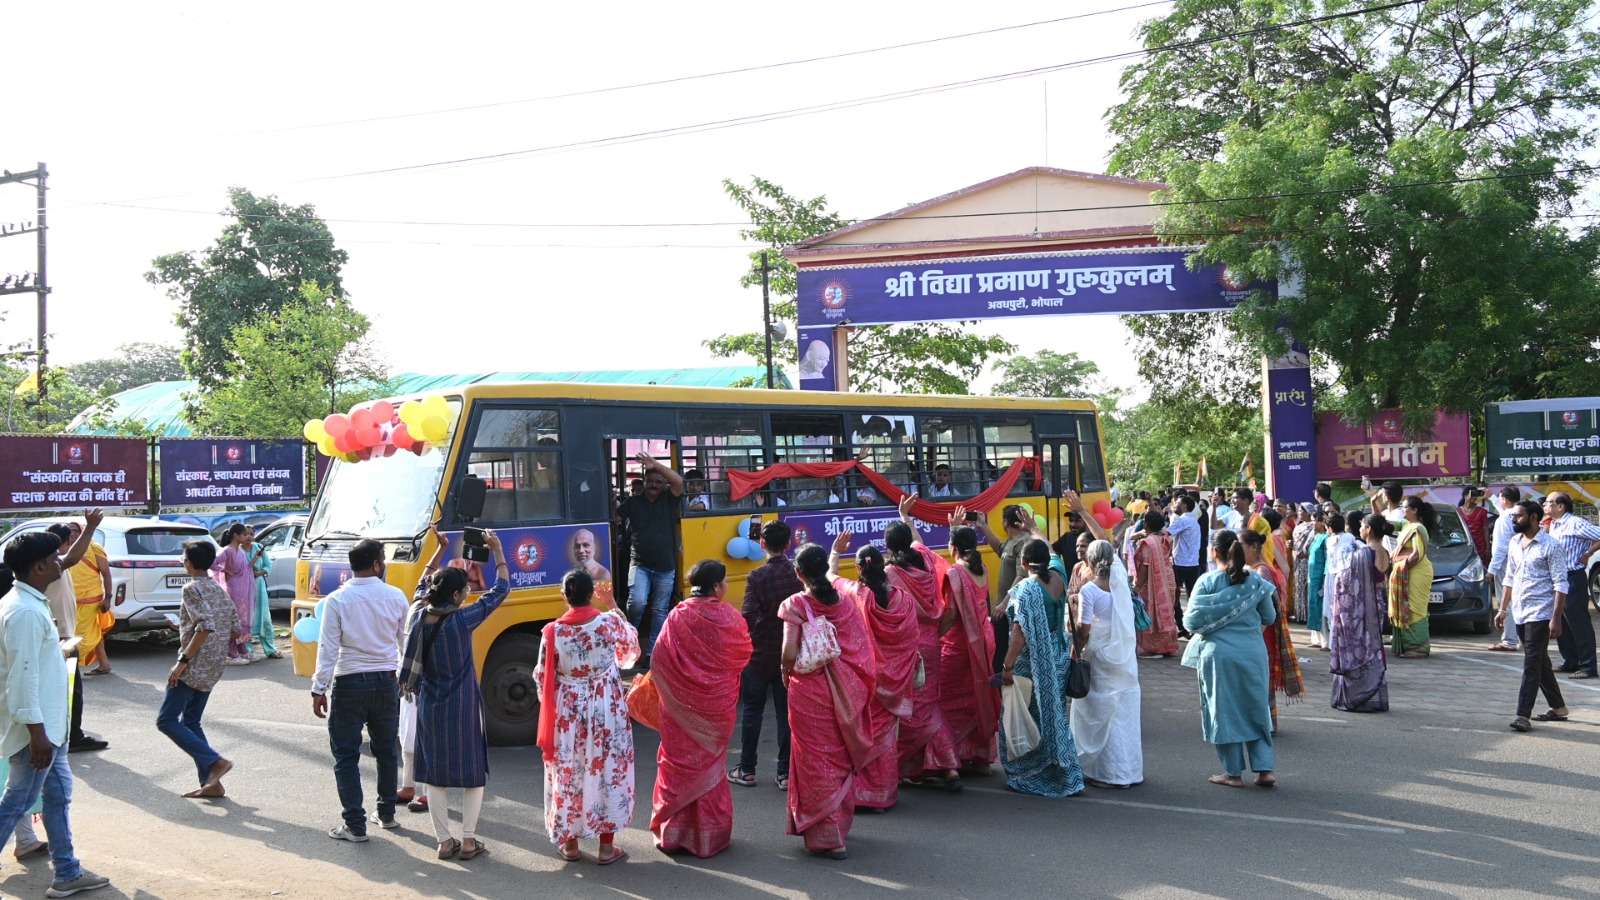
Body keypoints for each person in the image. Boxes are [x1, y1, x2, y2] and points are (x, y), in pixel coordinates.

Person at [0, 531, 113, 897]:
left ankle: (66, 872)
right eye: (53, 560)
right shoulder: (24, 612)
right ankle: (66, 871)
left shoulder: (28, 603)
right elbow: (23, 678)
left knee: (58, 797)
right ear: (38, 567)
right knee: (17, 802)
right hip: (38, 731)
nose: (60, 564)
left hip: (50, 729)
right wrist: (37, 734)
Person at [403, 529, 509, 861]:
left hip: (430, 706)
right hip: (463, 707)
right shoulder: (462, 620)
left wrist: (440, 551)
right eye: (464, 590)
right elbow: (501, 590)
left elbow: (421, 585)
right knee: (472, 774)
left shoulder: (419, 615)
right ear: (456, 595)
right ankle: (468, 841)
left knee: (435, 776)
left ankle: (444, 841)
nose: (467, 593)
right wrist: (498, 551)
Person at [649, 560, 752, 858]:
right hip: (716, 708)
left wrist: (676, 691)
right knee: (710, 765)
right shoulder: (729, 617)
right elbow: (744, 652)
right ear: (717, 587)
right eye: (725, 582)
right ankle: (709, 836)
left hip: (679, 709)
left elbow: (658, 661)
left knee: (678, 765)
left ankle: (673, 834)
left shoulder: (677, 616)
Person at [310, 539, 409, 843]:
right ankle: (387, 813)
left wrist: (319, 688)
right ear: (377, 564)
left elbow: (328, 648)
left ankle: (355, 825)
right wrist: (404, 679)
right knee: (386, 750)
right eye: (383, 560)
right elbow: (404, 642)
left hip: (349, 682)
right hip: (386, 681)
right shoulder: (396, 596)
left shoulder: (337, 600)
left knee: (346, 755)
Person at [537, 568, 638, 864]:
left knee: (569, 771)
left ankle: (570, 844)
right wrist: (613, 605)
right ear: (591, 593)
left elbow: (542, 676)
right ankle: (606, 848)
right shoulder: (609, 622)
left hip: (568, 710)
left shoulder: (553, 632)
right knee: (608, 769)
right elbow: (630, 651)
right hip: (607, 706)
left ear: (564, 595)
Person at [779, 544, 874, 860]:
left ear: (799, 573)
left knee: (813, 759)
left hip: (809, 691)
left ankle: (828, 835)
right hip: (846, 691)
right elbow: (860, 647)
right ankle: (838, 827)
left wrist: (785, 671)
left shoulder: (796, 604)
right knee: (838, 755)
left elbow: (788, 653)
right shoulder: (845, 602)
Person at [1182, 531, 1279, 789]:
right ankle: (1265, 769)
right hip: (1252, 653)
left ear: (1214, 552)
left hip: (1219, 656)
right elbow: (1269, 616)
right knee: (1256, 709)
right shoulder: (1255, 582)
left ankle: (1233, 773)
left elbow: (1190, 621)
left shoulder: (1207, 581)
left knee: (1224, 712)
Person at [829, 538, 918, 812]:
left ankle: (862, 793)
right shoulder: (903, 599)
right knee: (886, 738)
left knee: (863, 733)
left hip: (865, 678)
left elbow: (830, 577)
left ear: (858, 568)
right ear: (883, 565)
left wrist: (835, 552)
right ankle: (883, 793)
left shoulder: (855, 593)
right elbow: (911, 639)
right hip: (895, 679)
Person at [883, 496, 960, 789]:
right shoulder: (926, 563)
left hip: (908, 645)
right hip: (932, 641)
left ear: (888, 546)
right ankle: (945, 764)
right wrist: (906, 517)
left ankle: (917, 765)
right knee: (929, 703)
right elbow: (919, 542)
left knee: (911, 707)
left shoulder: (891, 573)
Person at [998, 539, 1084, 797]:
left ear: (1024, 563)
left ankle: (1032, 771)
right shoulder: (1059, 577)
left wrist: (1007, 666)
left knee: (1029, 718)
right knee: (1054, 715)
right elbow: (1054, 553)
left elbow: (1019, 634)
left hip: (1032, 664)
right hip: (1058, 659)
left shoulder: (1026, 590)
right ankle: (1061, 767)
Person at [158, 540, 243, 799]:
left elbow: (205, 626)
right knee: (191, 721)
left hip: (194, 663)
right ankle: (211, 783)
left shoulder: (191, 588)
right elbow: (235, 628)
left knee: (167, 720)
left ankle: (215, 762)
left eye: (183, 558)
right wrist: (183, 627)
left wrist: (182, 661)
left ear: (190, 563)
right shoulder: (218, 588)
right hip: (214, 663)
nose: (182, 562)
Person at [731, 520, 800, 790]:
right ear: (789, 543)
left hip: (759, 654)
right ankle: (785, 773)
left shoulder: (757, 576)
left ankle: (747, 769)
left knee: (752, 712)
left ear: (762, 544)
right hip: (790, 653)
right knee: (786, 714)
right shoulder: (797, 573)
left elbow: (748, 615)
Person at [1073, 540, 1144, 789]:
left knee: (1099, 712)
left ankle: (1107, 774)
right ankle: (1126, 772)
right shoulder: (1121, 584)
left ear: (1090, 562)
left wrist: (1076, 648)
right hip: (1123, 656)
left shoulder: (1089, 591)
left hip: (1099, 655)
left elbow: (1083, 629)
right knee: (1122, 713)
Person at [1498, 500, 1570, 731]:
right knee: (1540, 661)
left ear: (1533, 517)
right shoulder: (1514, 542)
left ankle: (1523, 715)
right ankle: (1558, 708)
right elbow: (1509, 577)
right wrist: (1502, 609)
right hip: (1519, 611)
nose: (1514, 520)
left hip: (1541, 613)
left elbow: (1561, 584)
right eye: (1513, 516)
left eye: (1518, 516)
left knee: (1531, 663)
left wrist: (1556, 617)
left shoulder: (1550, 545)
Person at [44, 517, 109, 754]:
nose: (72, 543)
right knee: (72, 692)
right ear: (61, 544)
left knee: (66, 691)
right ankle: (72, 737)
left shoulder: (46, 565)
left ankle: (64, 734)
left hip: (62, 637)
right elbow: (73, 557)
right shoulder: (53, 565)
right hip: (61, 639)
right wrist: (90, 528)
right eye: (68, 539)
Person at [939, 516, 998, 772]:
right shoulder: (981, 567)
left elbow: (951, 613)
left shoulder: (955, 573)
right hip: (984, 639)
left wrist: (935, 634)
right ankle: (980, 754)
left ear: (952, 546)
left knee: (948, 699)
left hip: (959, 644)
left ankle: (955, 756)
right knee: (977, 697)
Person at [620, 452, 685, 662]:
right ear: (644, 482)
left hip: (666, 566)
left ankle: (652, 653)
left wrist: (655, 464)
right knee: (636, 604)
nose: (654, 485)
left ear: (664, 485)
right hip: (639, 563)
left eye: (658, 482)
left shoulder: (669, 499)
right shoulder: (633, 502)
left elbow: (678, 482)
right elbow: (614, 518)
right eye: (650, 481)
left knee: (659, 610)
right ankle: (629, 644)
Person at [1240, 531, 1303, 730]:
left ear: (1253, 547)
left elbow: (1268, 608)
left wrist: (1255, 632)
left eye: (1241, 545)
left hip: (1261, 631)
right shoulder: (1251, 569)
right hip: (1255, 631)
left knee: (1260, 676)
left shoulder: (1262, 572)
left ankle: (1265, 723)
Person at [1329, 516, 1392, 713]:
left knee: (1357, 646)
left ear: (1369, 529)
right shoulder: (1384, 552)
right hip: (1377, 604)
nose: (1360, 529)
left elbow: (1345, 581)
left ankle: (1357, 694)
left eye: (1363, 526)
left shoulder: (1362, 554)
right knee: (1371, 646)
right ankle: (1372, 691)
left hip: (1360, 608)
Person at [1543, 492, 1600, 680]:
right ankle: (1571, 660)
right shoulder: (1554, 524)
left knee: (1578, 622)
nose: (1545, 505)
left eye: (1549, 502)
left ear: (1561, 506)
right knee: (1561, 620)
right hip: (1557, 579)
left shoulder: (1575, 523)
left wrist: (1588, 553)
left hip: (1573, 578)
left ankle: (1588, 665)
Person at [61, 521, 112, 681]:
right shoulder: (65, 550)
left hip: (91, 599)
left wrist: (108, 597)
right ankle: (104, 664)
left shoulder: (94, 547)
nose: (72, 534)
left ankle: (66, 667)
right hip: (71, 600)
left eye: (75, 530)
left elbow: (106, 573)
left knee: (81, 637)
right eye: (69, 531)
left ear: (82, 531)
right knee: (92, 632)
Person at [1389, 496, 1438, 659]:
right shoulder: (1405, 525)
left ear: (1415, 510)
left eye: (1405, 507)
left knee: (1414, 608)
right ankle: (1405, 645)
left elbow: (1417, 554)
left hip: (1417, 572)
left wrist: (1400, 567)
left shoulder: (1418, 528)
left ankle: (1419, 647)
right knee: (1404, 606)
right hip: (1408, 571)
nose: (1402, 510)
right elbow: (1386, 525)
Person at [1132, 510, 1179, 657]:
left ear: (1146, 524)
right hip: (1168, 580)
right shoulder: (1165, 538)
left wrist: (1136, 588)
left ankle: (1151, 648)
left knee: (1151, 613)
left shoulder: (1148, 543)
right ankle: (1167, 646)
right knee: (1166, 612)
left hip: (1153, 583)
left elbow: (1145, 567)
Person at [1487, 486, 1523, 652]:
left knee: (1506, 601)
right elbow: (1504, 511)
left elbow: (1500, 547)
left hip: (1505, 565)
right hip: (1519, 563)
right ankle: (1520, 638)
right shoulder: (1520, 515)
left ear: (1505, 500)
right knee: (1518, 601)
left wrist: (1492, 570)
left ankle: (1509, 640)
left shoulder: (1503, 520)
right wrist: (1492, 498)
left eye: (1500, 498)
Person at [211, 524, 255, 663]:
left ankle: (241, 648)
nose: (247, 537)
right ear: (236, 535)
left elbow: (246, 568)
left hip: (243, 589)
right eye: (244, 534)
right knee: (234, 620)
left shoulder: (240, 551)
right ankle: (231, 652)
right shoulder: (227, 550)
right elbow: (212, 563)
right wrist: (224, 570)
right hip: (233, 589)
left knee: (242, 619)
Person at [243, 527, 282, 660]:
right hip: (243, 587)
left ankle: (270, 649)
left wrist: (258, 573)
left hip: (259, 586)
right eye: (245, 534)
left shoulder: (259, 548)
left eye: (251, 534)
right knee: (246, 618)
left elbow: (267, 566)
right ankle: (247, 650)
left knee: (264, 618)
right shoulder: (237, 551)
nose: (248, 537)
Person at [1168, 495, 1203, 626]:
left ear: (1184, 506)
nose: (1175, 505)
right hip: (1193, 563)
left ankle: (1181, 624)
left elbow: (1166, 533)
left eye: (1177, 502)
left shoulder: (1182, 520)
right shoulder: (1194, 521)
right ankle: (1193, 624)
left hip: (1180, 564)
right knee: (1192, 596)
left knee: (1174, 595)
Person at [1304, 511, 1330, 650]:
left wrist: (1325, 578)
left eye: (1314, 520)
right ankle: (1316, 639)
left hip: (1320, 577)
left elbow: (1327, 559)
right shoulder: (1315, 537)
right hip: (1312, 577)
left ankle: (1326, 641)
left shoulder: (1326, 538)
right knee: (1313, 606)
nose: (1312, 523)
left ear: (1322, 522)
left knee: (1321, 607)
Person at [1292, 505, 1315, 624]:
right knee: (1299, 587)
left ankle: (1307, 615)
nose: (1299, 512)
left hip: (1307, 559)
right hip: (1297, 559)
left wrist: (1305, 552)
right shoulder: (1299, 526)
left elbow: (1312, 542)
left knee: (1306, 586)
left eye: (1302, 510)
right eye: (1299, 510)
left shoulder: (1313, 526)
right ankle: (1299, 614)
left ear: (1308, 512)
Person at [1460, 488, 1490, 567]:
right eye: (1472, 494)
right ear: (1465, 496)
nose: (1475, 497)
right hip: (1464, 547)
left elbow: (1485, 530)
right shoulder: (1458, 511)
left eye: (1476, 495)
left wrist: (1487, 548)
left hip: (1480, 547)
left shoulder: (1482, 512)